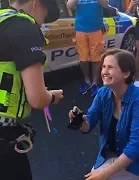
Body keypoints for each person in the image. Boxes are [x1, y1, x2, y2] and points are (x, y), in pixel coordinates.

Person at [68, 49, 139, 180]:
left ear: (126, 73)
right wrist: (80, 121)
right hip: (111, 155)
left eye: (110, 67)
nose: (104, 71)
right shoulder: (103, 93)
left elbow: (135, 148)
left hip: (138, 162)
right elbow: (87, 126)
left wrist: (105, 174)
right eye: (103, 66)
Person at [0, 0, 63, 179]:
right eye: (44, 15)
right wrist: (51, 96)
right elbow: (37, 99)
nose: (42, 23)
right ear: (35, 3)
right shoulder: (24, 27)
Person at [67, 0, 108, 97]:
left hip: (96, 28)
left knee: (96, 57)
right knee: (83, 58)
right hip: (80, 28)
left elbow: (105, 4)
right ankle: (86, 81)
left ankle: (94, 83)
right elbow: (69, 6)